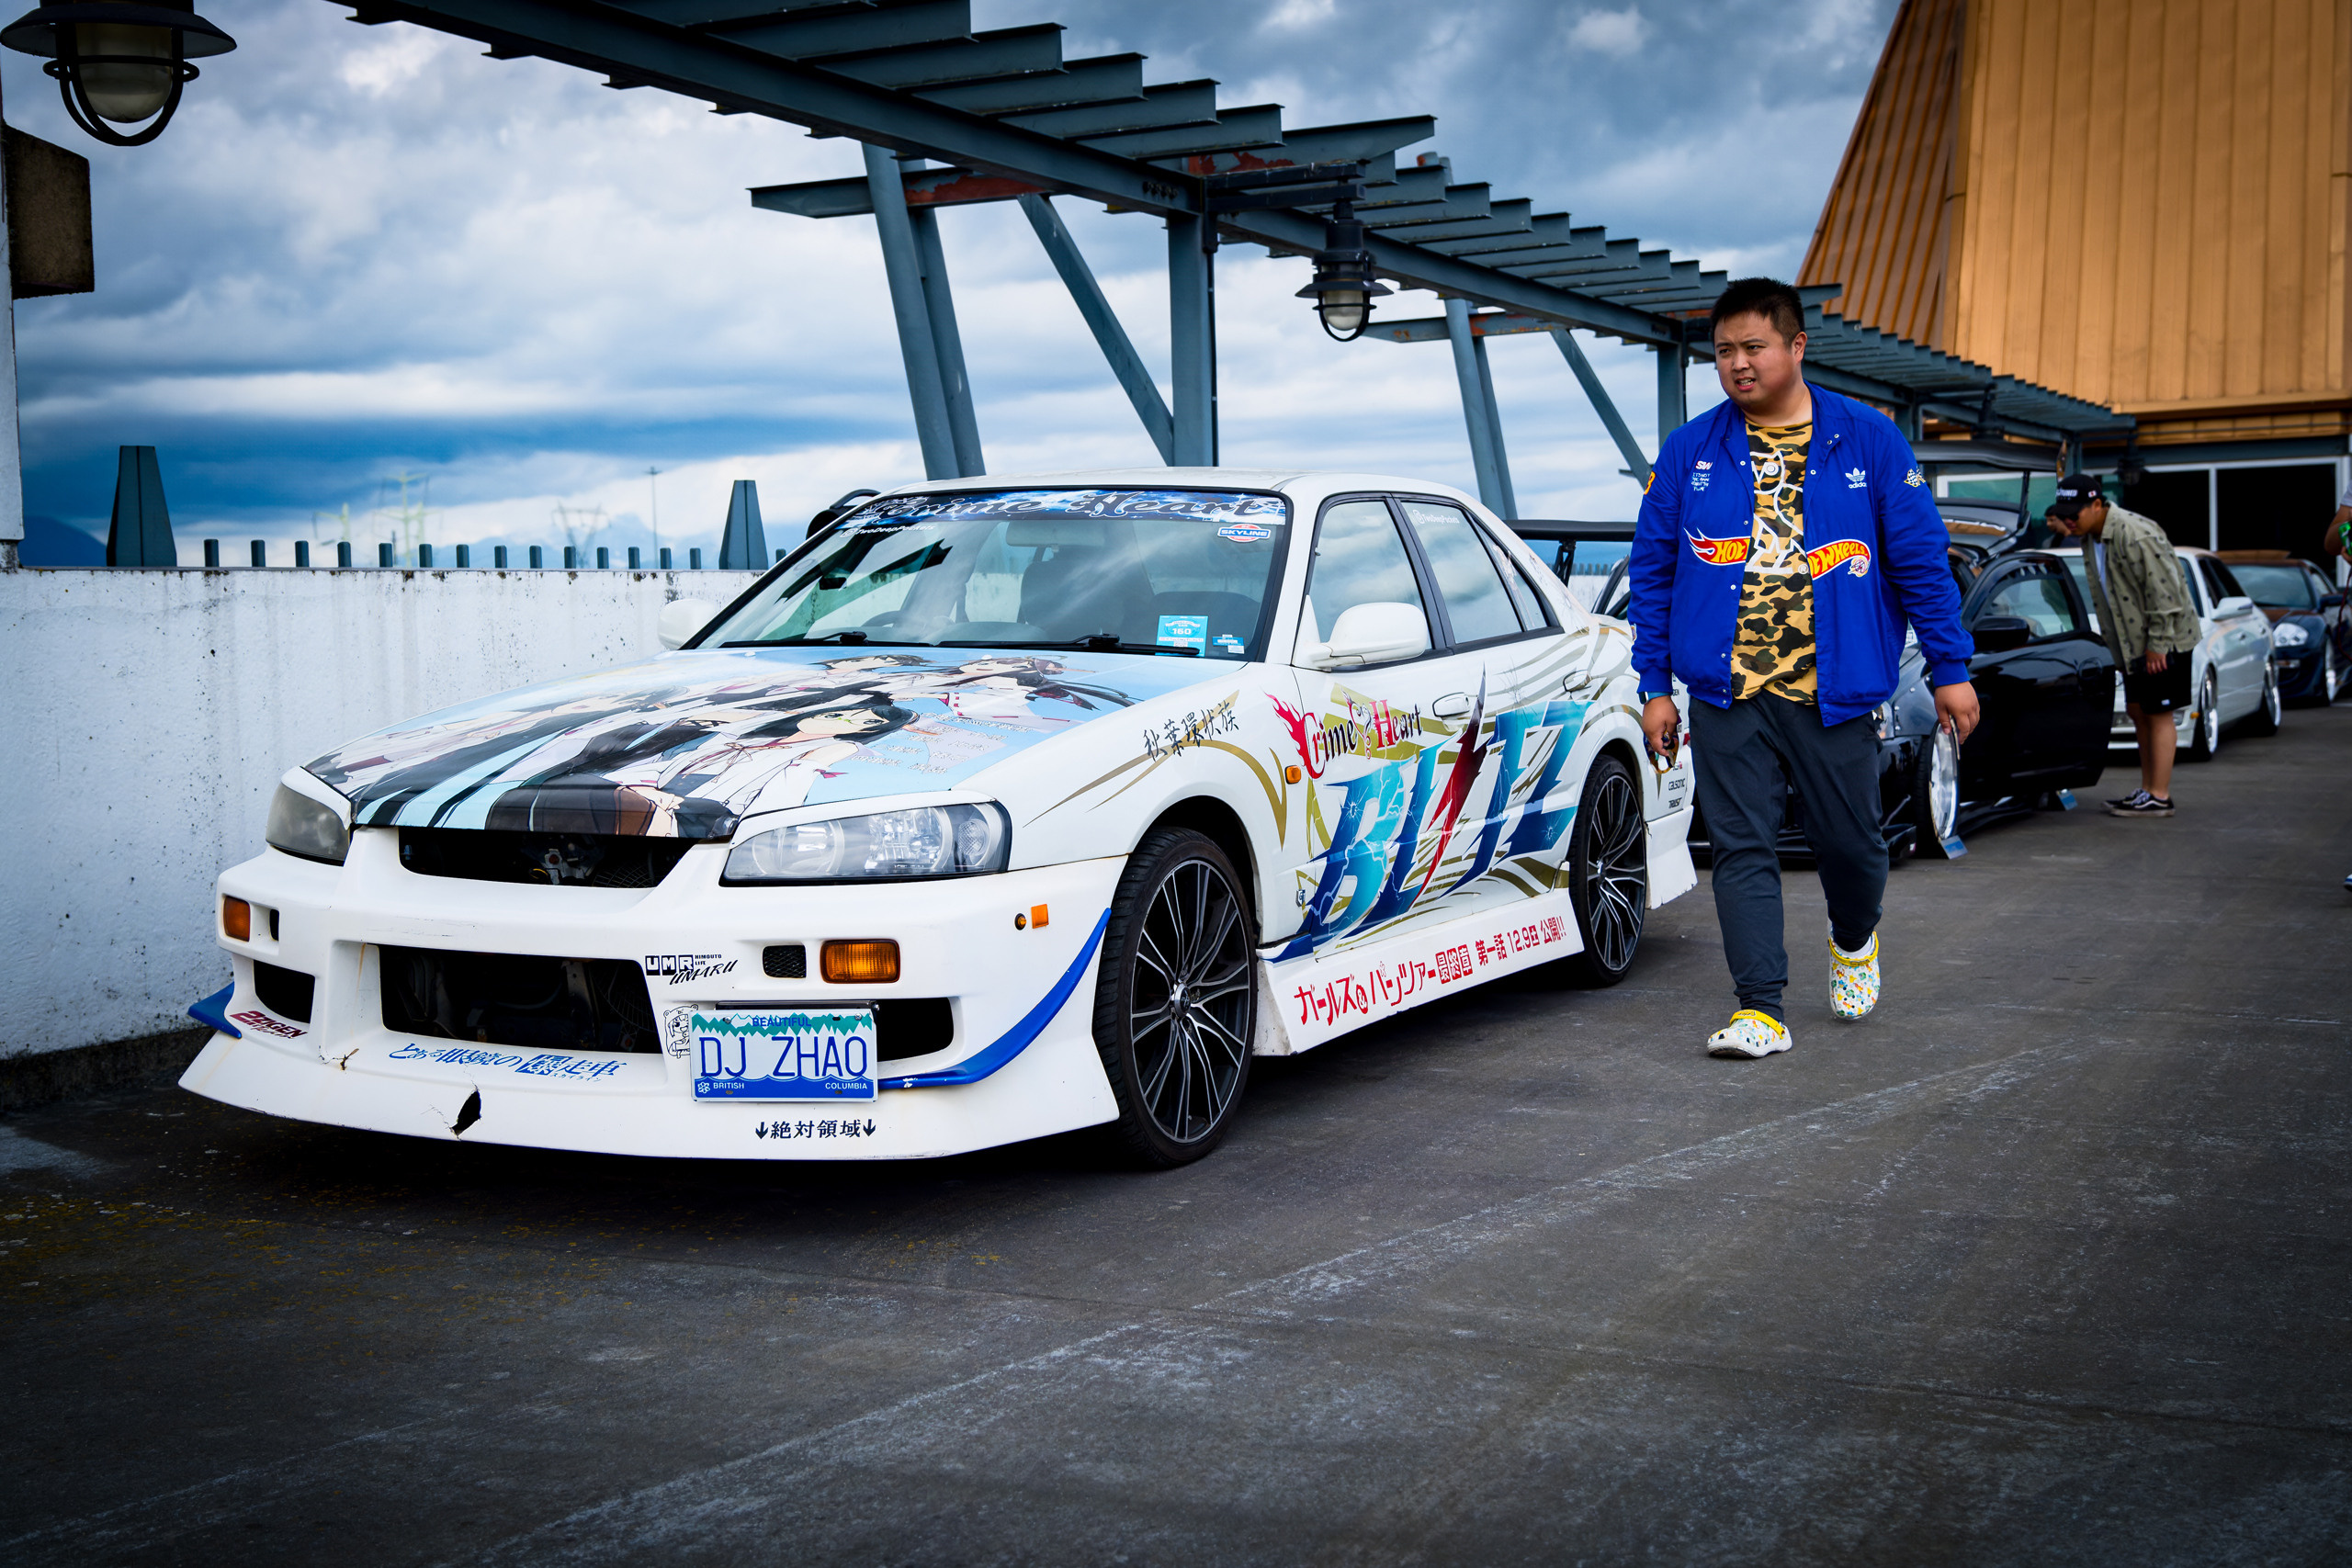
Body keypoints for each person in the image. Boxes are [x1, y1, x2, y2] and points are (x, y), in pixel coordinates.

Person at [1629, 277, 1980, 1061]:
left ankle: (1853, 937)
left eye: (1753, 347)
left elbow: (1921, 560)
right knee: (1739, 846)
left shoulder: (1869, 439)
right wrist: (1654, 685)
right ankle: (1760, 1007)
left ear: (1795, 347)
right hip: (1728, 691)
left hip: (1835, 689)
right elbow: (1652, 571)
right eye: (1723, 352)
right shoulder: (1691, 450)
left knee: (1851, 846)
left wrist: (1951, 667)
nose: (1738, 365)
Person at [2044, 475, 2199, 817]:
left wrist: (2158, 644)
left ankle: (2159, 795)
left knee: (2158, 713)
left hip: (2164, 640)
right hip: (2132, 643)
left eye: (2075, 513)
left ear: (2097, 504)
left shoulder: (2134, 533)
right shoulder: (2090, 536)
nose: (2069, 521)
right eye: (2064, 514)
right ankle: (2147, 790)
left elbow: (2167, 593)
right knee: (2138, 711)